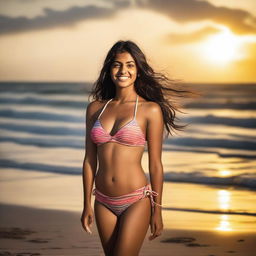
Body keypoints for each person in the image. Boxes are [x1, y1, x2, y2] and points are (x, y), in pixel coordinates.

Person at [81, 40, 192, 256]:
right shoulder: (95, 108)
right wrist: (86, 203)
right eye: (117, 64)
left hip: (136, 199)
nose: (123, 70)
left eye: (130, 65)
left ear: (138, 71)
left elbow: (156, 165)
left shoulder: (150, 110)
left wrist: (157, 211)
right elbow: (89, 160)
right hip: (102, 200)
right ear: (109, 69)